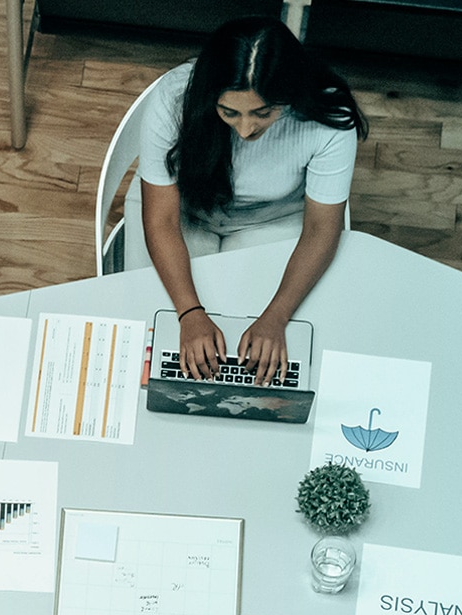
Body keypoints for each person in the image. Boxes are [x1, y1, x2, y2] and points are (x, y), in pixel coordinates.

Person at [138, 16, 368, 387]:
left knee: (286, 338)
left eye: (263, 113)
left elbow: (322, 227)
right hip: (186, 213)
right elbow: (161, 220)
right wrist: (190, 311)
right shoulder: (173, 97)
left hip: (273, 218)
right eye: (229, 112)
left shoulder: (329, 116)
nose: (246, 130)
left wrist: (276, 316)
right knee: (159, 330)